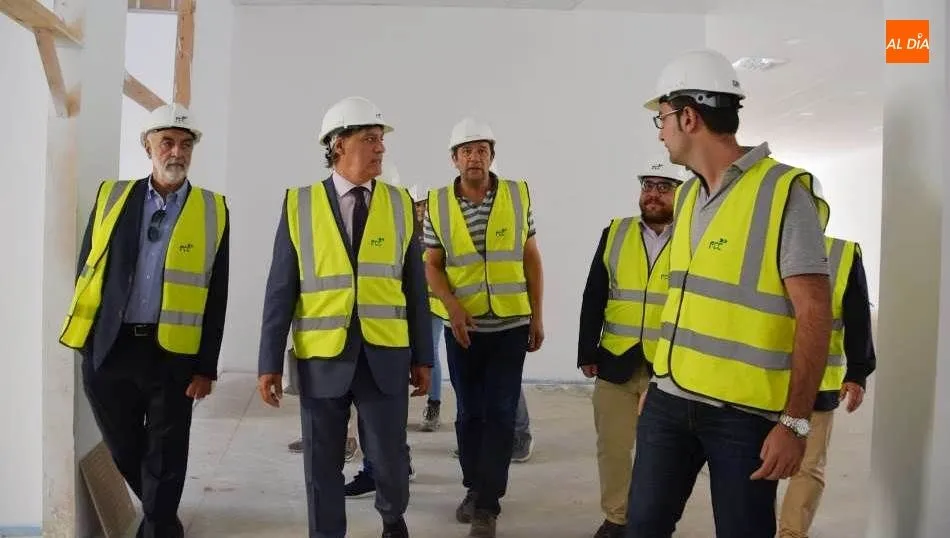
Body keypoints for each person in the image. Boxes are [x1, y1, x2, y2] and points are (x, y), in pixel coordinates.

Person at [626, 49, 833, 538]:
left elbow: (815, 313)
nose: (660, 132)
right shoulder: (687, 195)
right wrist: (659, 378)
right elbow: (684, 300)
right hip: (668, 401)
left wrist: (796, 423)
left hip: (743, 417)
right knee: (643, 527)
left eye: (662, 118)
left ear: (689, 118)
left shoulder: (783, 192)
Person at [256, 96, 433, 538]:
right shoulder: (299, 204)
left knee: (390, 457)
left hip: (385, 354)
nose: (381, 148)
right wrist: (268, 362)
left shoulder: (399, 204)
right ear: (338, 144)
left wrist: (423, 356)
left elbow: (415, 287)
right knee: (322, 463)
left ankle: (392, 521)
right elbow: (280, 289)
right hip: (322, 358)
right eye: (370, 138)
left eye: (381, 139)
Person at [60, 103, 229, 538]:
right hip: (111, 347)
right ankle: (161, 512)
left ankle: (157, 525)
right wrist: (89, 343)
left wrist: (206, 366)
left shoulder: (213, 210)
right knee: (122, 444)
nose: (177, 152)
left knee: (168, 448)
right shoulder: (112, 197)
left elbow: (217, 294)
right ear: (147, 147)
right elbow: (87, 270)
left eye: (185, 144)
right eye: (167, 142)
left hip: (172, 351)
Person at [424, 117, 545, 538]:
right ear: (454, 159)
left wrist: (537, 315)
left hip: (510, 326)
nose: (474, 157)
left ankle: (487, 504)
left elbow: (531, 259)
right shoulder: (438, 203)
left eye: (481, 150)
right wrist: (453, 308)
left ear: (492, 155)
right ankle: (474, 487)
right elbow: (432, 265)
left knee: (500, 413)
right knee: (469, 414)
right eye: (466, 151)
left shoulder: (516, 194)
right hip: (464, 330)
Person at [577, 156, 684, 538]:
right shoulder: (616, 232)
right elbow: (595, 293)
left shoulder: (693, 237)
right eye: (648, 186)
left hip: (669, 367)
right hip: (616, 359)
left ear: (680, 193)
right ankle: (616, 518)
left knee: (664, 454)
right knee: (613, 447)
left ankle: (651, 521)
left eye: (663, 187)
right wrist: (587, 350)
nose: (653, 194)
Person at [778, 235, 877, 537]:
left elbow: (857, 315)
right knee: (770, 464)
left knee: (805, 465)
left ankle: (791, 534)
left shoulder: (841, 253)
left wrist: (857, 371)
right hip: (765, 381)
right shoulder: (758, 240)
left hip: (810, 386)